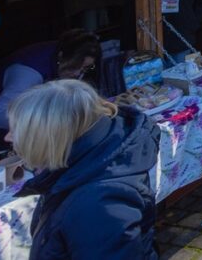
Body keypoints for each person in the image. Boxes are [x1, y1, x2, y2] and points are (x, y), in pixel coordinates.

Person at [10, 79, 160, 258]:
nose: (8, 137)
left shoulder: (97, 204)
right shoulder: (85, 169)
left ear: (49, 138)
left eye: (17, 130)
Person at [0, 29, 101, 143]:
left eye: (85, 68)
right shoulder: (27, 72)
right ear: (61, 56)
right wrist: (45, 120)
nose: (79, 74)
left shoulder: (66, 54)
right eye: (74, 66)